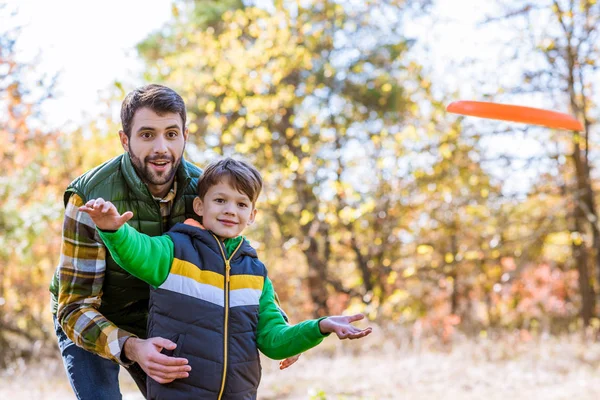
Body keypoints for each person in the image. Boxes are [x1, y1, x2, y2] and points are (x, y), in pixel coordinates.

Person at [49, 84, 299, 400]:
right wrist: (132, 346)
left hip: (164, 317)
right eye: (147, 135)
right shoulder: (90, 198)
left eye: (171, 134)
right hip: (92, 315)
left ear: (185, 136)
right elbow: (75, 307)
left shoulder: (204, 191)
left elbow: (233, 258)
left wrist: (281, 326)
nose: (161, 148)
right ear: (125, 140)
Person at [79, 157, 373, 399]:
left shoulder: (256, 274)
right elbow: (137, 251)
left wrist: (320, 326)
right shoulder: (175, 250)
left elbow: (274, 342)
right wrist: (113, 229)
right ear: (200, 206)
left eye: (241, 204)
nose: (231, 210)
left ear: (253, 215)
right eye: (220, 200)